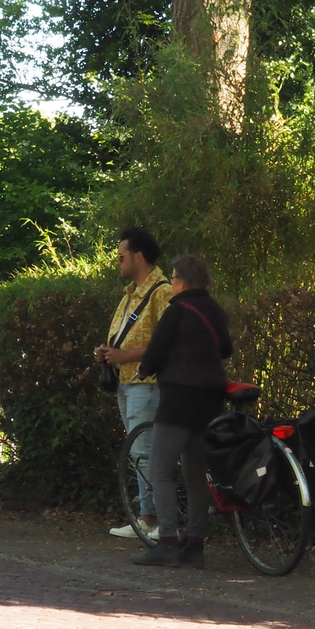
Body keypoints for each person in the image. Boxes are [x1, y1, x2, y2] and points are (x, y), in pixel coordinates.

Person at [131, 255, 232, 568]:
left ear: (184, 281)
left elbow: (157, 349)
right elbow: (225, 349)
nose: (171, 283)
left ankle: (168, 541)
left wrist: (144, 369)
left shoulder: (176, 311)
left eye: (173, 278)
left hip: (179, 400)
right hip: (211, 399)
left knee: (160, 468)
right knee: (194, 473)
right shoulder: (215, 309)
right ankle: (195, 545)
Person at [94, 227, 173, 539]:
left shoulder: (162, 292)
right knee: (138, 451)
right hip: (128, 381)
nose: (118, 263)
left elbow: (165, 342)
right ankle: (146, 516)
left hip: (148, 382)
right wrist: (108, 353)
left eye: (122, 257)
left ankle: (154, 519)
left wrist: (123, 354)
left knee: (145, 451)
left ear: (139, 257)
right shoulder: (131, 294)